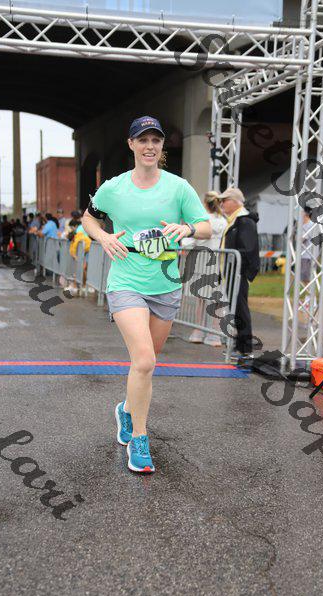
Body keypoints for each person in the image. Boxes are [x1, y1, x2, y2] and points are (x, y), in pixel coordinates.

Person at [82, 115, 211, 474]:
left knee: (147, 362)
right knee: (143, 361)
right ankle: (139, 439)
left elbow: (205, 226)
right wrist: (103, 236)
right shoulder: (114, 188)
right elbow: (89, 218)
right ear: (132, 145)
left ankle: (126, 410)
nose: (150, 146)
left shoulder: (178, 187)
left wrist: (186, 228)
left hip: (166, 284)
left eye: (156, 140)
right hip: (126, 280)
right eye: (143, 140)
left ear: (161, 146)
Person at [219, 187, 260, 361]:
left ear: (235, 202)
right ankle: (240, 346)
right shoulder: (235, 220)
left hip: (238, 273)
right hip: (232, 272)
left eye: (224, 200)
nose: (221, 204)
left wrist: (240, 271)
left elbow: (247, 249)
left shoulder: (244, 221)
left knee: (240, 309)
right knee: (236, 309)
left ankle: (246, 349)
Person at [186, 191, 227, 346]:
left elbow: (190, 242)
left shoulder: (202, 221)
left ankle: (198, 332)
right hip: (217, 263)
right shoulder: (223, 221)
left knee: (201, 299)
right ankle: (214, 334)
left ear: (204, 203)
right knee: (217, 299)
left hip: (201, 262)